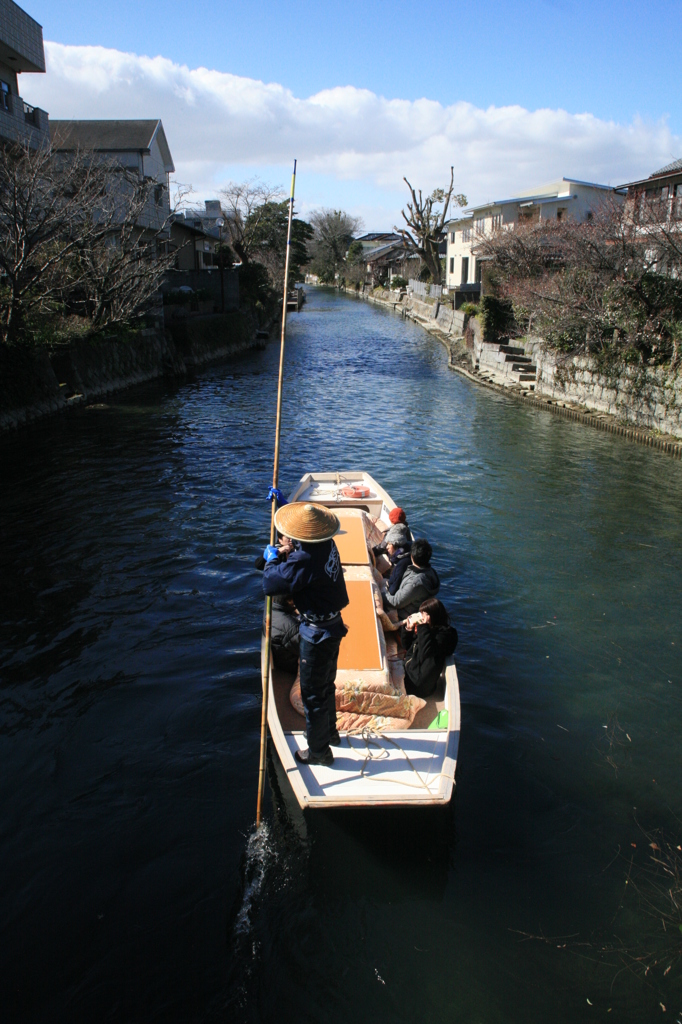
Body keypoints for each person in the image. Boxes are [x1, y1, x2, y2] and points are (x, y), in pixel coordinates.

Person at [262, 501, 349, 767]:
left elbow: (270, 583)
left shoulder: (304, 559)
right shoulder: (326, 544)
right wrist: (285, 504)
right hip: (333, 627)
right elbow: (303, 536)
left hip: (317, 634)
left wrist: (274, 558)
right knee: (327, 684)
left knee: (313, 694)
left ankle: (319, 752)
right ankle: (330, 732)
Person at [399, 598, 458, 699]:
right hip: (410, 671)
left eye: (423, 614)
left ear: (431, 616)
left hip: (417, 684)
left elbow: (425, 652)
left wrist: (423, 627)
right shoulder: (429, 630)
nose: (421, 616)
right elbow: (407, 646)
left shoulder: (445, 636)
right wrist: (408, 629)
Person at [383, 538, 440, 618]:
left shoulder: (415, 583)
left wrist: (381, 594)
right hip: (410, 602)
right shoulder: (430, 571)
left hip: (405, 613)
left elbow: (396, 602)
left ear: (412, 556)